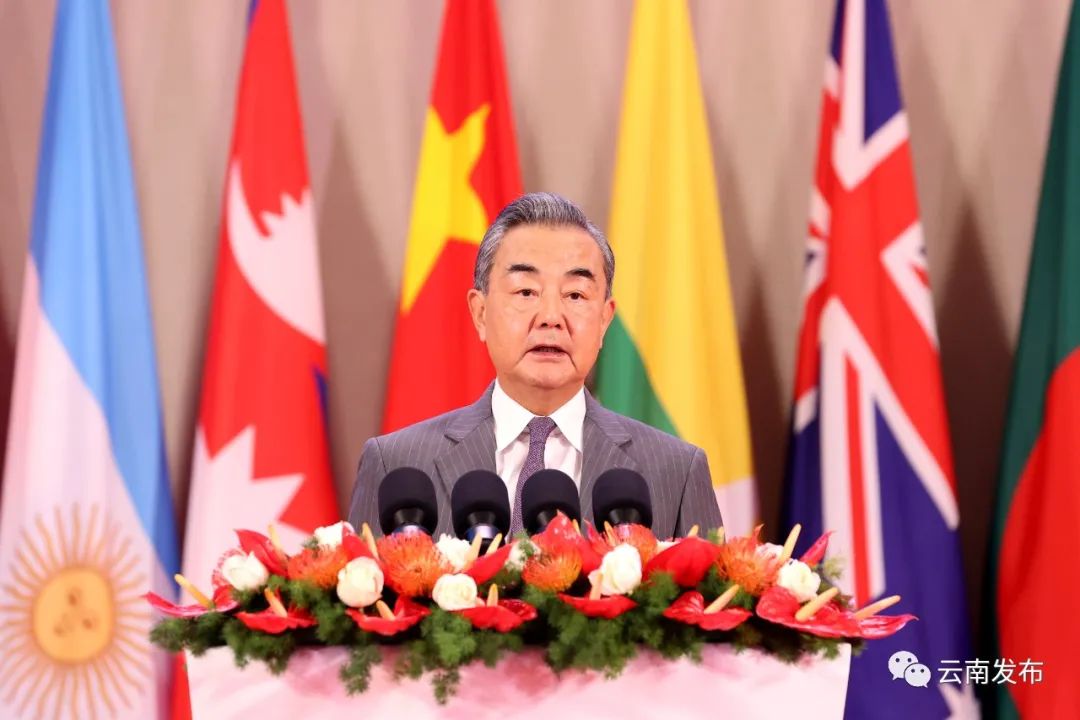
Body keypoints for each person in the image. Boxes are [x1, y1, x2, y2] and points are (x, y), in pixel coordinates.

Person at [348, 192, 722, 539]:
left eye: (575, 295)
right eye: (526, 292)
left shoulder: (676, 471)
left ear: (605, 320)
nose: (551, 317)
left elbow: (712, 591)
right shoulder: (396, 464)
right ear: (480, 313)